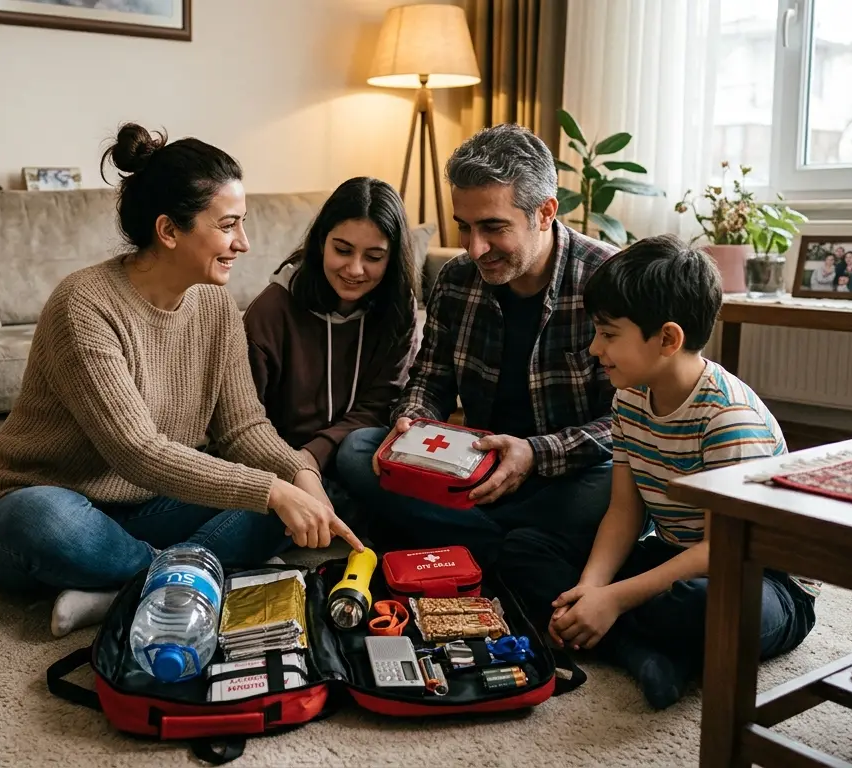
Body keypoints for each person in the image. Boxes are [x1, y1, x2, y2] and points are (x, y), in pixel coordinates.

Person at [0, 123, 363, 638]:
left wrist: (298, 474)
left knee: (299, 497)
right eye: (228, 226)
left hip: (153, 507)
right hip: (54, 503)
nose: (243, 243)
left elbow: (243, 426)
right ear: (169, 231)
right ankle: (185, 574)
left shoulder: (215, 304)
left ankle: (125, 587)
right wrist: (269, 489)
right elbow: (136, 451)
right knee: (42, 520)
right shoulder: (84, 305)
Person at [500, 235, 818, 710]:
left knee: (703, 607)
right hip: (673, 556)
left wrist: (614, 600)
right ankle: (644, 652)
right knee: (521, 551)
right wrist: (591, 589)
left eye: (608, 335)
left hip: (758, 579)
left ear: (668, 338)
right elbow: (624, 515)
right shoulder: (628, 400)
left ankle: (628, 642)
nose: (593, 348)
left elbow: (721, 550)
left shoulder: (729, 419)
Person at [333, 123, 619, 569]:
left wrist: (536, 453)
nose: (475, 247)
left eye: (493, 227)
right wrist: (414, 423)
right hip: (470, 471)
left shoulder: (608, 279)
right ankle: (517, 549)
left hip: (563, 473)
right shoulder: (455, 278)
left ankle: (475, 539)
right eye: (464, 227)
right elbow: (430, 380)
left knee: (615, 483)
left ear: (545, 213)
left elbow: (628, 422)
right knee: (357, 452)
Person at [243, 176, 421, 523]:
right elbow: (245, 421)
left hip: (349, 456)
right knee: (255, 520)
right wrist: (299, 467)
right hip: (281, 464)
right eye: (342, 250)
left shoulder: (398, 310)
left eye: (373, 256)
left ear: (392, 258)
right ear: (321, 243)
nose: (355, 269)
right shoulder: (271, 310)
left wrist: (316, 453)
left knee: (358, 453)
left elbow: (381, 403)